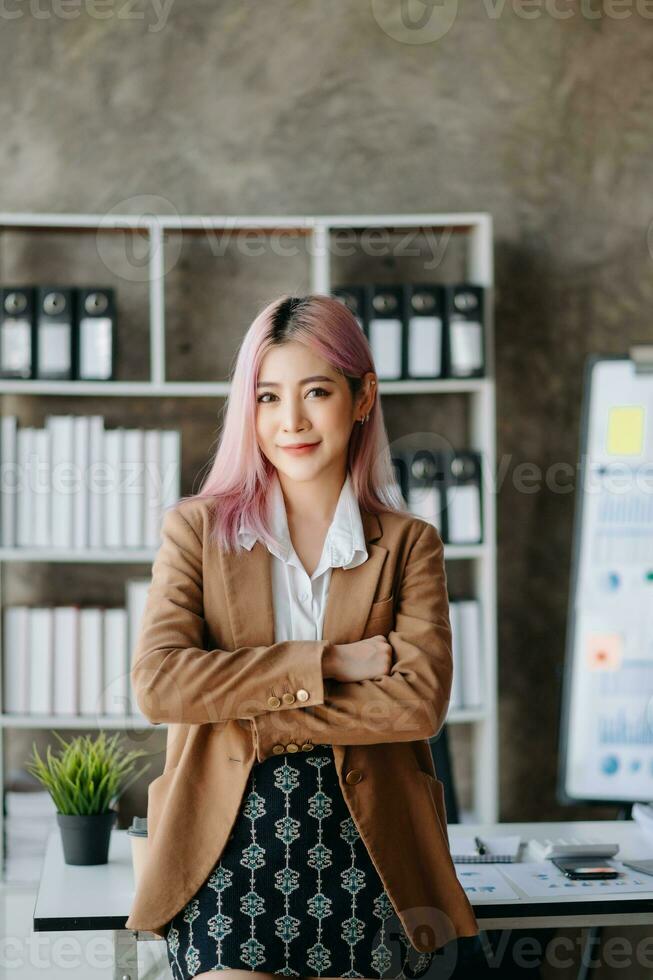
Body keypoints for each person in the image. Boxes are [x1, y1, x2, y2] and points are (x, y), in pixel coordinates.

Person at [126, 294, 483, 979]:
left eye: (315, 392)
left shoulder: (410, 545)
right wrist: (330, 661)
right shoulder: (196, 534)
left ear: (360, 397)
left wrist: (254, 715)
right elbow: (160, 685)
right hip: (222, 841)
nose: (289, 421)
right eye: (266, 396)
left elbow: (414, 704)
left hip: (368, 846)